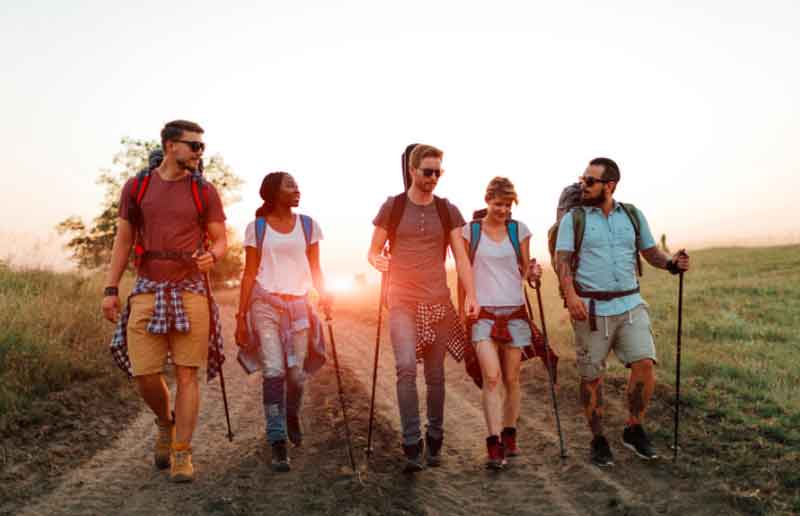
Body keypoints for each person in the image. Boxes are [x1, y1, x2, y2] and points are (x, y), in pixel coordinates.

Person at [103, 120, 228, 482]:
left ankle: (182, 453)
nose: (200, 153)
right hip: (146, 289)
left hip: (191, 289)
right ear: (171, 145)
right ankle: (165, 421)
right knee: (144, 373)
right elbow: (122, 241)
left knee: (188, 375)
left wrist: (214, 256)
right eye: (194, 146)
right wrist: (111, 290)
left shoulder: (205, 191)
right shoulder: (137, 187)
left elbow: (220, 239)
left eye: (202, 147)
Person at [554, 157, 690, 467]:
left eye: (590, 181)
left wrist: (671, 263)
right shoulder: (573, 219)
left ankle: (633, 427)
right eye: (582, 179)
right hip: (591, 309)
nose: (582, 185)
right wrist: (571, 295)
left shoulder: (631, 214)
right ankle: (598, 439)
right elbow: (562, 262)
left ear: (610, 185)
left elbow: (650, 252)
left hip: (631, 304)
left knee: (644, 364)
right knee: (592, 378)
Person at [368, 144, 479, 472]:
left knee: (435, 375)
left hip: (438, 302)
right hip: (401, 299)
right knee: (405, 368)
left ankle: (436, 436)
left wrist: (470, 295)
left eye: (438, 172)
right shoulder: (394, 206)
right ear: (413, 171)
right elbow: (372, 251)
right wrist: (378, 260)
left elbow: (460, 257)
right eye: (427, 172)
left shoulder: (448, 211)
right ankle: (411, 441)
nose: (433, 178)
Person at [234, 171, 330, 472]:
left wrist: (325, 294)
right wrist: (240, 316)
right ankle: (277, 439)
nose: (297, 189)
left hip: (299, 308)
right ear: (274, 193)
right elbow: (249, 273)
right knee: (274, 369)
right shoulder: (257, 228)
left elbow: (315, 266)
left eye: (297, 185)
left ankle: (291, 414)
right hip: (265, 304)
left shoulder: (308, 225)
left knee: (296, 375)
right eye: (290, 185)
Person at [462, 177, 542, 469]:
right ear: (487, 202)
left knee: (512, 379)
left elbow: (524, 270)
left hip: (515, 312)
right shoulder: (469, 232)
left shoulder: (518, 230)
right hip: (482, 315)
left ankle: (510, 434)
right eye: (498, 204)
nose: (504, 210)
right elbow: (462, 269)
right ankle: (493, 443)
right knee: (492, 377)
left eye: (508, 205)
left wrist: (533, 272)